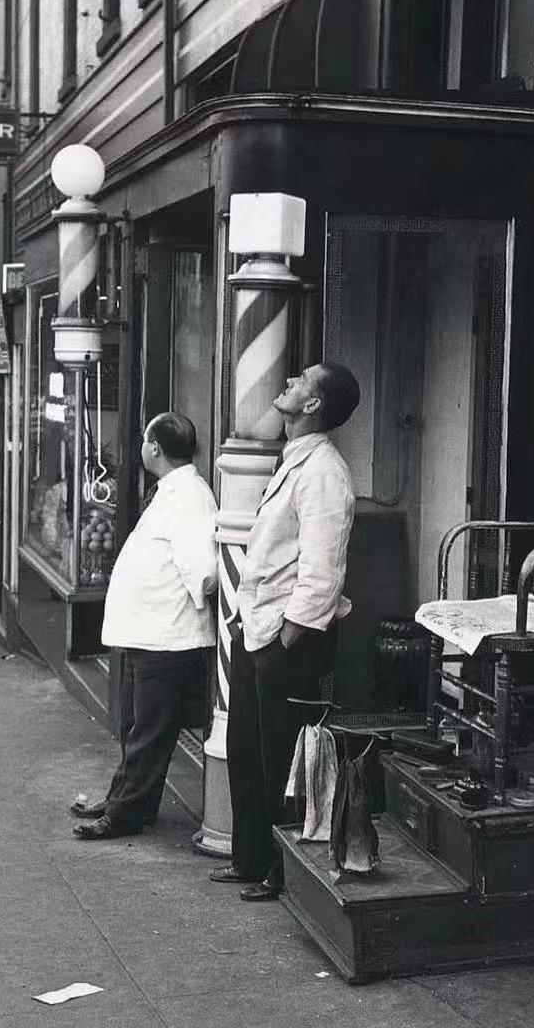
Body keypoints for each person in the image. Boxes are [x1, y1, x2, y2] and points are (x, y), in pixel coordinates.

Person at [209, 362, 360, 902]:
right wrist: (247, 616)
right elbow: (274, 557)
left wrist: (287, 636)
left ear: (314, 405)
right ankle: (250, 860)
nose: (289, 383)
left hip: (287, 639)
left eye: (300, 380)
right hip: (260, 628)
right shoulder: (295, 460)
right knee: (247, 749)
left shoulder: (324, 472)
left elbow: (323, 569)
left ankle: (281, 871)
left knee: (283, 761)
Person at [71, 412, 218, 840]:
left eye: (143, 440)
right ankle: (127, 800)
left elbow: (205, 571)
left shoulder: (190, 495)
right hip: (148, 633)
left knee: (149, 731)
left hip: (166, 636)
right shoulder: (174, 490)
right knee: (136, 726)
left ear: (153, 447)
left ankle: (124, 814)